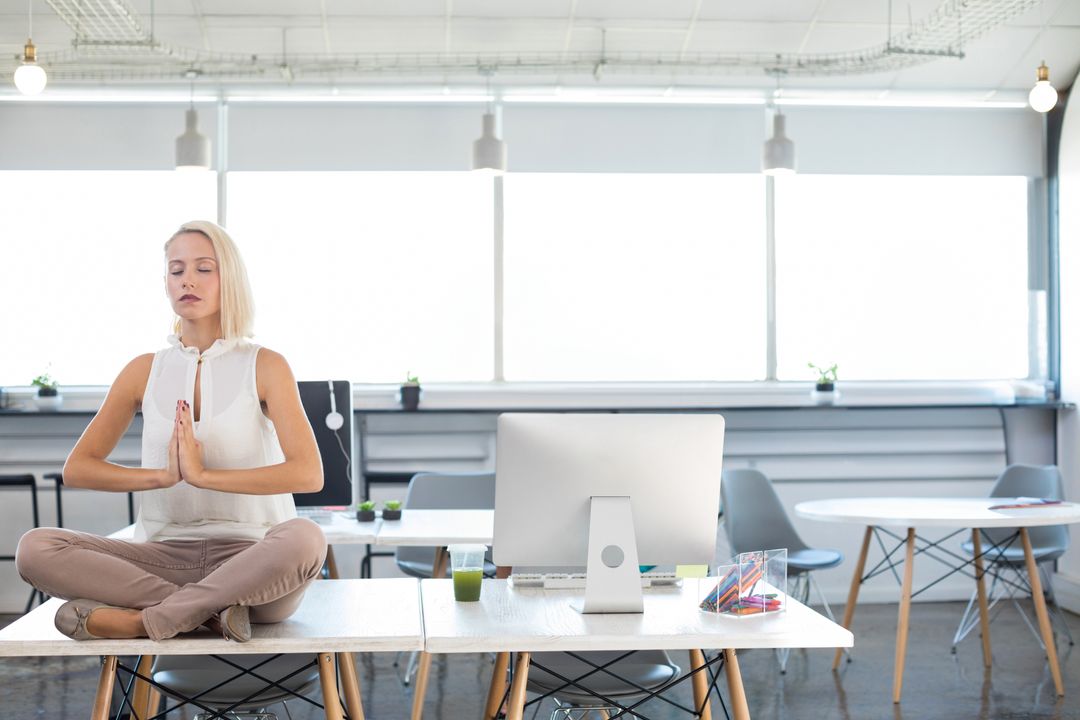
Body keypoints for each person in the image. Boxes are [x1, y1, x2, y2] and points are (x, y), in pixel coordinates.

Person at [15, 220, 327, 642]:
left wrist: (203, 476)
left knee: (305, 538)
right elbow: (79, 469)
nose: (188, 281)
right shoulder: (143, 370)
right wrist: (162, 477)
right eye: (176, 270)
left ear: (228, 278)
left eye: (204, 268)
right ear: (165, 283)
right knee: (36, 548)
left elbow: (309, 474)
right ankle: (207, 614)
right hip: (162, 558)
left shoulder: (267, 365)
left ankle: (148, 620)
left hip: (253, 562)